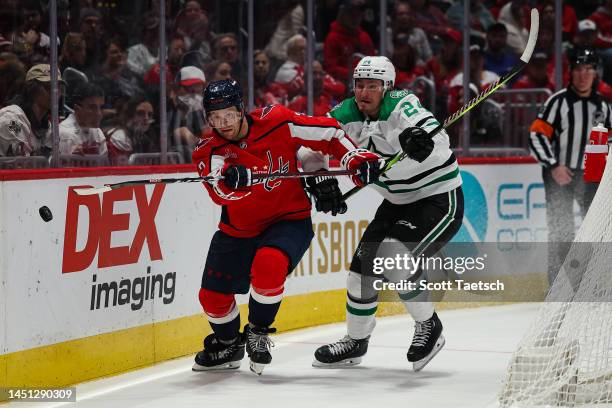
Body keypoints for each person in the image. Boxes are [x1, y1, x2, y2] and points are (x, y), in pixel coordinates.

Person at [190, 79, 382, 375]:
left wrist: (354, 157)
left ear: (241, 109)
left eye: (228, 115)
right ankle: (229, 344)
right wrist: (232, 180)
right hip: (237, 231)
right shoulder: (208, 150)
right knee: (211, 298)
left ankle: (258, 331)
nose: (223, 124)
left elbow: (328, 132)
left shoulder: (277, 121)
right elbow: (219, 190)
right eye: (215, 118)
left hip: (288, 220)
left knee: (269, 265)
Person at [313, 56, 464, 372]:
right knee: (359, 275)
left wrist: (420, 139)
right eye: (359, 85)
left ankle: (429, 326)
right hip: (396, 202)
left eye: (372, 86)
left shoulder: (401, 104)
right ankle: (356, 341)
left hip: (438, 199)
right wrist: (320, 179)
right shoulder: (345, 114)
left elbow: (435, 133)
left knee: (393, 257)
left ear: (387, 87)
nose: (364, 92)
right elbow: (307, 148)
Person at [529, 48, 612, 284]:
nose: (583, 74)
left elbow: (610, 142)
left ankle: (590, 282)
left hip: (590, 179)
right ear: (570, 72)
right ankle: (557, 286)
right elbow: (536, 135)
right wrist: (554, 165)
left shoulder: (603, 108)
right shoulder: (558, 102)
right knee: (560, 230)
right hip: (559, 176)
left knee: (595, 230)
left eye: (588, 69)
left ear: (596, 73)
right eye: (578, 69)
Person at [0, 64, 59, 157]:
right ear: (32, 89)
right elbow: (19, 165)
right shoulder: (12, 120)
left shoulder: (47, 127)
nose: (55, 93)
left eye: (58, 88)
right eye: (48, 87)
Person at [59, 82, 107, 156]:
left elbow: (105, 165)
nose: (99, 113)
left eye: (101, 107)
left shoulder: (97, 131)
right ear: (77, 109)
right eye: (92, 107)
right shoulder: (66, 134)